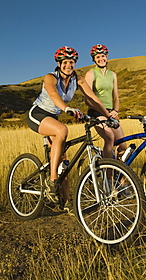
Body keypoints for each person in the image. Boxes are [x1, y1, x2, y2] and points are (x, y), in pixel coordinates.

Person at [27, 46, 115, 208]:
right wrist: (67, 108)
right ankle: (53, 179)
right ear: (59, 64)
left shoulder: (77, 79)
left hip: (52, 117)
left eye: (72, 62)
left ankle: (67, 202)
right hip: (38, 114)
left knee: (63, 160)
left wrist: (108, 116)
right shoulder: (50, 77)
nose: (69, 65)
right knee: (62, 130)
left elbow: (93, 97)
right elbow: (53, 95)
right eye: (66, 62)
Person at [85, 44, 127, 160]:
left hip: (110, 112)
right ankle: (108, 177)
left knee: (123, 145)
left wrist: (116, 111)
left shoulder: (112, 74)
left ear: (107, 57)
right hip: (96, 112)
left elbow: (116, 97)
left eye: (103, 56)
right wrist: (103, 111)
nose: (101, 59)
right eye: (97, 57)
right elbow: (88, 100)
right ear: (94, 59)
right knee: (109, 138)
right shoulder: (91, 73)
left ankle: (120, 176)